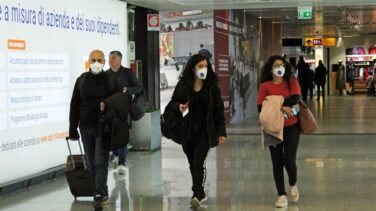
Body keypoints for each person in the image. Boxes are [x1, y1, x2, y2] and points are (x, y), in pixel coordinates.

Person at [170, 54, 226, 209]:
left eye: (206, 66)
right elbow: (173, 102)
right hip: (186, 130)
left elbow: (218, 109)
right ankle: (200, 192)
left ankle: (196, 193)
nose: (204, 69)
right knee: (191, 163)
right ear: (193, 68)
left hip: (205, 131)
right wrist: (178, 106)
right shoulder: (183, 85)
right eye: (200, 66)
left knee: (198, 162)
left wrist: (221, 132)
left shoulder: (212, 86)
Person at [256, 55, 302, 208]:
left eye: (282, 64)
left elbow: (295, 99)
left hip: (292, 126)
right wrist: (281, 106)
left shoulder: (292, 82)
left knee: (289, 159)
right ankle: (281, 194)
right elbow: (260, 108)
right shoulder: (265, 87)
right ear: (270, 68)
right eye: (276, 65)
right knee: (277, 162)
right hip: (271, 128)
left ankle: (293, 183)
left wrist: (274, 103)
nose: (279, 67)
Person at [68, 50, 112, 206]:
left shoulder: (110, 79)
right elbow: (74, 105)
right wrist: (72, 129)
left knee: (100, 161)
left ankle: (99, 193)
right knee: (92, 163)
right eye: (93, 59)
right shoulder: (81, 80)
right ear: (88, 61)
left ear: (104, 61)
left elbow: (120, 100)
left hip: (103, 127)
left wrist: (108, 105)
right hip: (85, 127)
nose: (96, 63)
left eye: (100, 60)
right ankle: (102, 190)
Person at [106, 50, 142, 174]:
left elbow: (138, 88)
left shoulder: (127, 73)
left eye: (114, 58)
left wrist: (128, 90)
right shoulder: (105, 75)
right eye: (110, 58)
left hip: (124, 109)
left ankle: (122, 162)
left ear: (120, 60)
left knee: (123, 135)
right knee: (111, 134)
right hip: (110, 111)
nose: (111, 60)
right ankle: (116, 154)